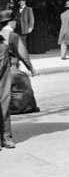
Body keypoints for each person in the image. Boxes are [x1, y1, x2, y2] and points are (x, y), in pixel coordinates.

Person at [0, 8, 37, 148]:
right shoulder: (12, 36)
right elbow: (23, 54)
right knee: (4, 103)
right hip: (9, 70)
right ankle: (6, 137)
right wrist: (31, 68)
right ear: (12, 22)